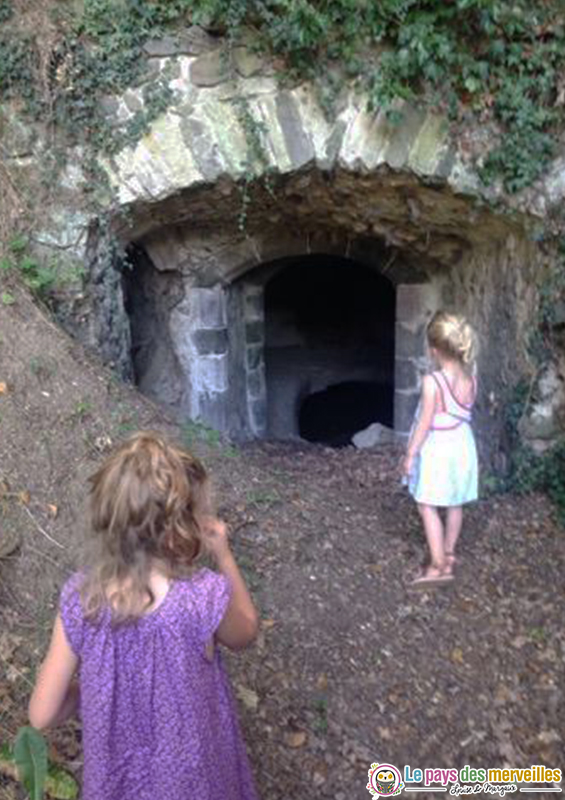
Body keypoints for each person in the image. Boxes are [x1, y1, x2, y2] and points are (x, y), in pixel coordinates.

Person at [28, 431, 260, 800]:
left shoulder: (81, 600)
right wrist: (225, 557)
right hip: (194, 783)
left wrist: (96, 691)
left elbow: (42, 714)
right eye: (198, 514)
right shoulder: (200, 596)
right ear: (177, 530)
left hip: (117, 785)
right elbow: (246, 632)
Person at [402, 311, 478, 588]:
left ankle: (437, 566)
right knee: (455, 502)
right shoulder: (472, 377)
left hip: (439, 447)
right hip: (463, 444)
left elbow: (424, 424)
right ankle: (449, 553)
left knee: (426, 504)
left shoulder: (432, 382)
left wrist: (410, 454)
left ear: (433, 350)